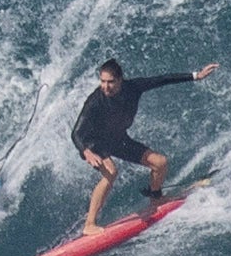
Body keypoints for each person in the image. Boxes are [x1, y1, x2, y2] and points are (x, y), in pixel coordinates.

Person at [71, 58, 218, 235]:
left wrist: (195, 76)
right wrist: (86, 151)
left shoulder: (133, 87)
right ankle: (89, 224)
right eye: (102, 81)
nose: (105, 86)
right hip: (95, 143)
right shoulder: (94, 101)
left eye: (110, 82)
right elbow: (76, 133)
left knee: (160, 162)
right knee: (111, 172)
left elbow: (162, 79)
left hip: (118, 140)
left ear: (120, 79)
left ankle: (155, 199)